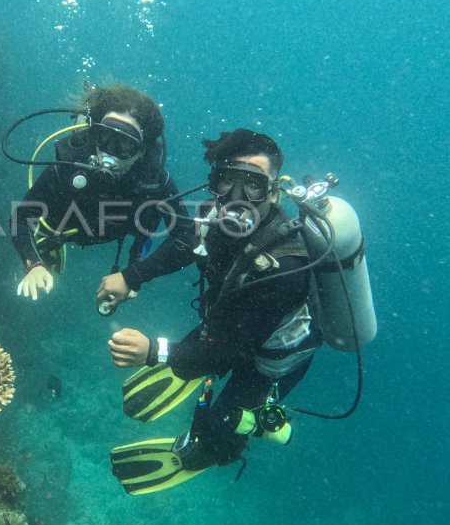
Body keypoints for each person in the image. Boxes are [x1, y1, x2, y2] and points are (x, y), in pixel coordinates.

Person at [104, 128, 320, 475]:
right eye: (226, 181)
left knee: (219, 433)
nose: (237, 196)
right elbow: (182, 248)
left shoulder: (287, 266)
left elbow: (234, 353)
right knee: (188, 364)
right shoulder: (213, 218)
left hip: (269, 358)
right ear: (213, 182)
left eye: (253, 184)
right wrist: (133, 276)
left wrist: (153, 351)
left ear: (275, 193)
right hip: (226, 327)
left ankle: (223, 444)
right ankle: (193, 376)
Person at [11, 83, 183, 302]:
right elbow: (20, 217)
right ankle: (49, 242)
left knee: (149, 219)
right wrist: (33, 264)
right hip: (65, 223)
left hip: (117, 230)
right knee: (48, 232)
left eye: (125, 145)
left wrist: (134, 276)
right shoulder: (72, 161)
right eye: (104, 137)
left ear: (141, 151)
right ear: (94, 134)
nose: (110, 151)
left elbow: (187, 236)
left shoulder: (154, 181)